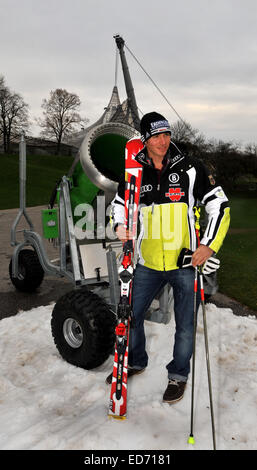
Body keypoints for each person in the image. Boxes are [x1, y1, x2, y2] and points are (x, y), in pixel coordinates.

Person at [107, 111, 230, 404]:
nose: (163, 141)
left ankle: (178, 376)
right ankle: (135, 362)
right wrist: (120, 224)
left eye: (167, 135)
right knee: (130, 317)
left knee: (185, 326)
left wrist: (209, 246)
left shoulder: (190, 168)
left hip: (184, 264)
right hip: (147, 264)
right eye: (156, 136)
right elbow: (118, 204)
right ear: (145, 140)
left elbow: (219, 205)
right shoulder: (136, 172)